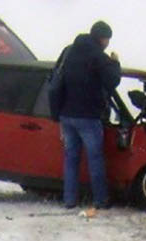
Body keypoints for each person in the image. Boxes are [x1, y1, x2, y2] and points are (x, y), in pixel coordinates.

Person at [49, 21, 121, 210]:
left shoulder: (69, 51)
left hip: (66, 114)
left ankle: (69, 200)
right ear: (102, 38)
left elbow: (56, 75)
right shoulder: (98, 56)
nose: (107, 43)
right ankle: (100, 199)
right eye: (107, 39)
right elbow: (113, 81)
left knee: (71, 158)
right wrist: (115, 62)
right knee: (95, 158)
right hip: (88, 116)